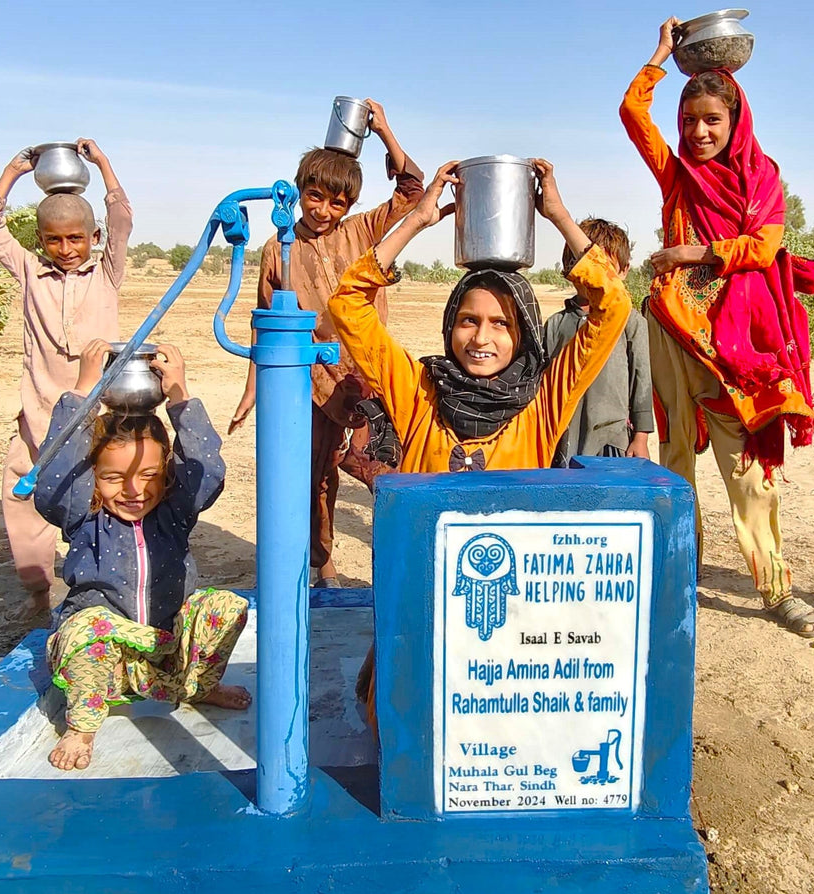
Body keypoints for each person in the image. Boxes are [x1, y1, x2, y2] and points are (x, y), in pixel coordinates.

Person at [327, 159, 632, 731]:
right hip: (424, 607)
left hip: (514, 625)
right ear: (450, 327)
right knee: (389, 723)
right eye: (468, 321)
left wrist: (560, 217)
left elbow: (611, 308)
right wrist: (417, 220)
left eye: (501, 323)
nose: (482, 338)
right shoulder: (419, 394)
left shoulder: (542, 403)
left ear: (522, 334)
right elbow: (348, 305)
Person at [620, 18, 814, 637]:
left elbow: (765, 247)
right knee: (675, 459)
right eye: (689, 122)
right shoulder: (675, 173)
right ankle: (677, 575)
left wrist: (694, 254)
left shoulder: (761, 175)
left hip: (730, 346)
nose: (698, 132)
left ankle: (775, 590)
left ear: (734, 120)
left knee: (747, 469)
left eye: (711, 120)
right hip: (670, 330)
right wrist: (662, 53)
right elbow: (633, 112)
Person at [228, 100, 424, 589]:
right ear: (300, 192)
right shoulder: (279, 248)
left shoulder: (361, 232)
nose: (324, 211)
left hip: (368, 373)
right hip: (314, 378)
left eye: (337, 203)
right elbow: (265, 320)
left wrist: (383, 130)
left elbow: (413, 190)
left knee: (380, 463)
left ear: (350, 207)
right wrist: (253, 386)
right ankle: (322, 562)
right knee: (317, 473)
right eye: (315, 197)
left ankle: (401, 562)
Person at [36, 342, 250, 771]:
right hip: (109, 661)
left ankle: (198, 686)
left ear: (166, 472)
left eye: (149, 475)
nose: (134, 490)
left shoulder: (173, 512)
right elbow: (53, 476)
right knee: (84, 634)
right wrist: (83, 392)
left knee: (224, 607)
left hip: (163, 652)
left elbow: (208, 470)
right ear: (93, 477)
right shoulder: (84, 515)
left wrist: (180, 396)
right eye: (114, 477)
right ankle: (82, 725)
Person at [0, 139, 132, 617]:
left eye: (75, 238)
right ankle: (40, 592)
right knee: (21, 496)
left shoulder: (107, 272)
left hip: (97, 412)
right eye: (53, 240)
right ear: (40, 240)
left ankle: (107, 593)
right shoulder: (29, 270)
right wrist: (14, 170)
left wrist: (103, 163)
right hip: (39, 408)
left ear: (93, 236)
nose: (65, 249)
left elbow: (123, 217)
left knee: (101, 497)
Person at [543, 218, 653, 464]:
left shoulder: (631, 322)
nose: (593, 279)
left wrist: (641, 438)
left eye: (605, 269)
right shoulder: (555, 325)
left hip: (611, 438)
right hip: (563, 436)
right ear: (571, 269)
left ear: (623, 271)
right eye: (585, 266)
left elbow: (642, 383)